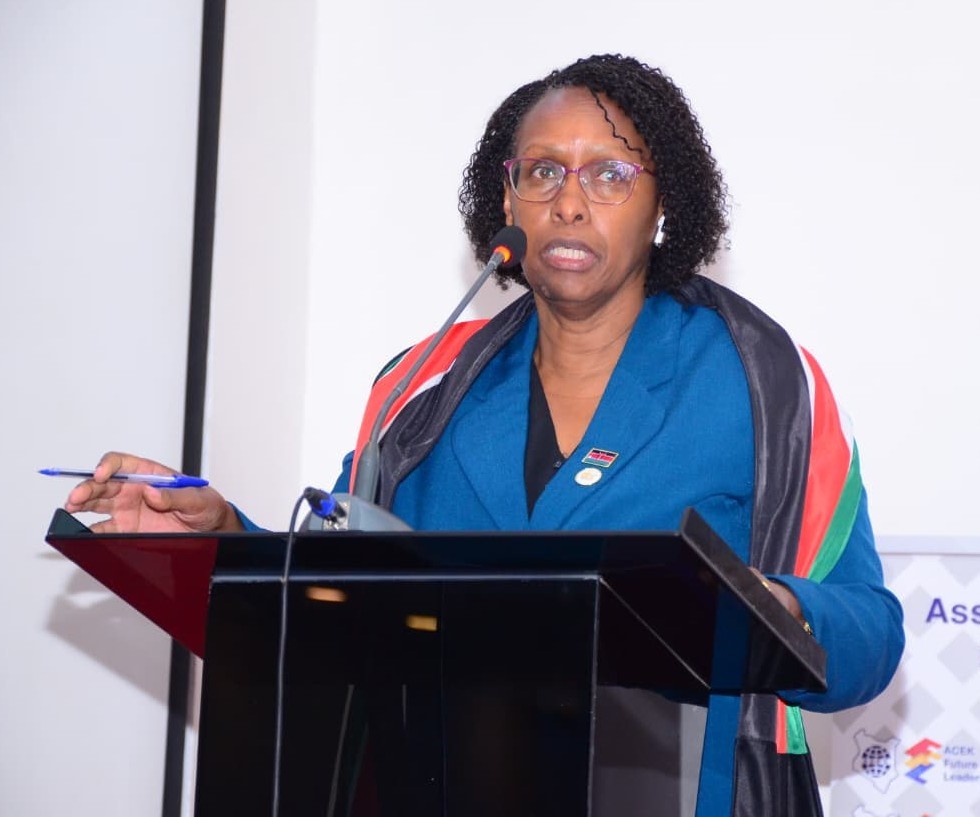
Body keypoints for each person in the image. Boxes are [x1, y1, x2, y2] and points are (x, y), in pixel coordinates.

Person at [66, 54, 904, 816]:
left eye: (610, 174)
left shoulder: (762, 381)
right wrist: (220, 541)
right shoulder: (421, 388)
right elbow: (341, 602)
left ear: (662, 204)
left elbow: (870, 633)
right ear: (506, 200)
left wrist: (777, 609)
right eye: (542, 172)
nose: (568, 201)